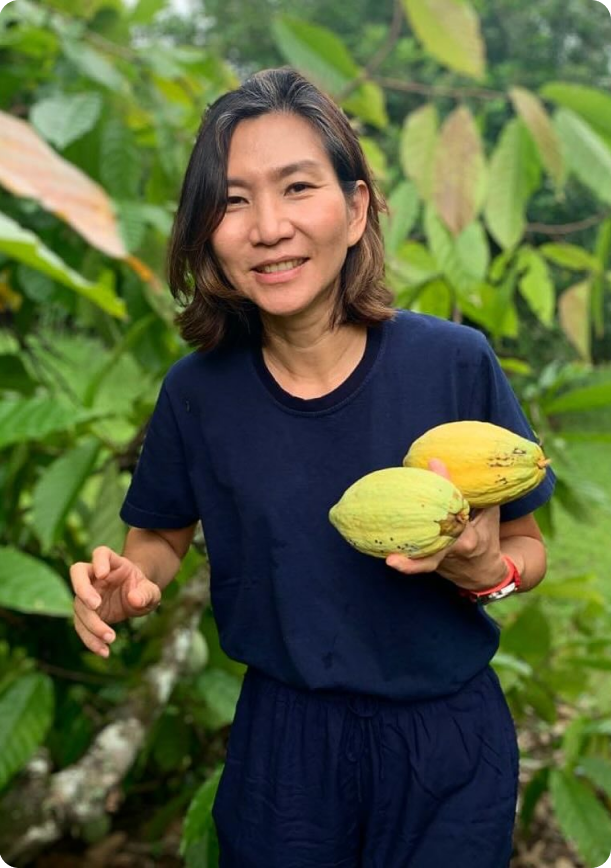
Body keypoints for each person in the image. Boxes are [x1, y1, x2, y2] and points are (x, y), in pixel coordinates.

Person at [70, 67, 555, 867]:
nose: (267, 226)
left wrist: (482, 568)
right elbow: (155, 537)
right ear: (205, 233)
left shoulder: (453, 365)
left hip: (445, 743)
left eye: (297, 187)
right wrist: (129, 582)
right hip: (284, 748)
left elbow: (528, 551)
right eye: (231, 200)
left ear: (356, 207)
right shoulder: (199, 393)